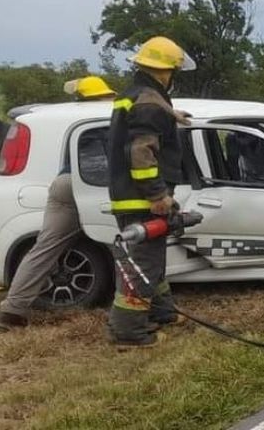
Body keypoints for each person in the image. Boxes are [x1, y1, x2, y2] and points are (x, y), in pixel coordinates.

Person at [0, 77, 116, 332]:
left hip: (64, 185)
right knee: (125, 239)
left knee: (46, 247)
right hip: (94, 184)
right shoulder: (106, 118)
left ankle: (12, 309)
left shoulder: (71, 119)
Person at [106, 36, 195, 347]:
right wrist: (157, 195)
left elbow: (145, 125)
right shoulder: (148, 102)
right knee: (142, 264)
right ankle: (128, 332)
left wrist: (173, 116)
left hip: (132, 195)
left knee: (153, 261)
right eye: (173, 72)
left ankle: (161, 313)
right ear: (163, 71)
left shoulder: (139, 95)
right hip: (140, 198)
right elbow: (141, 152)